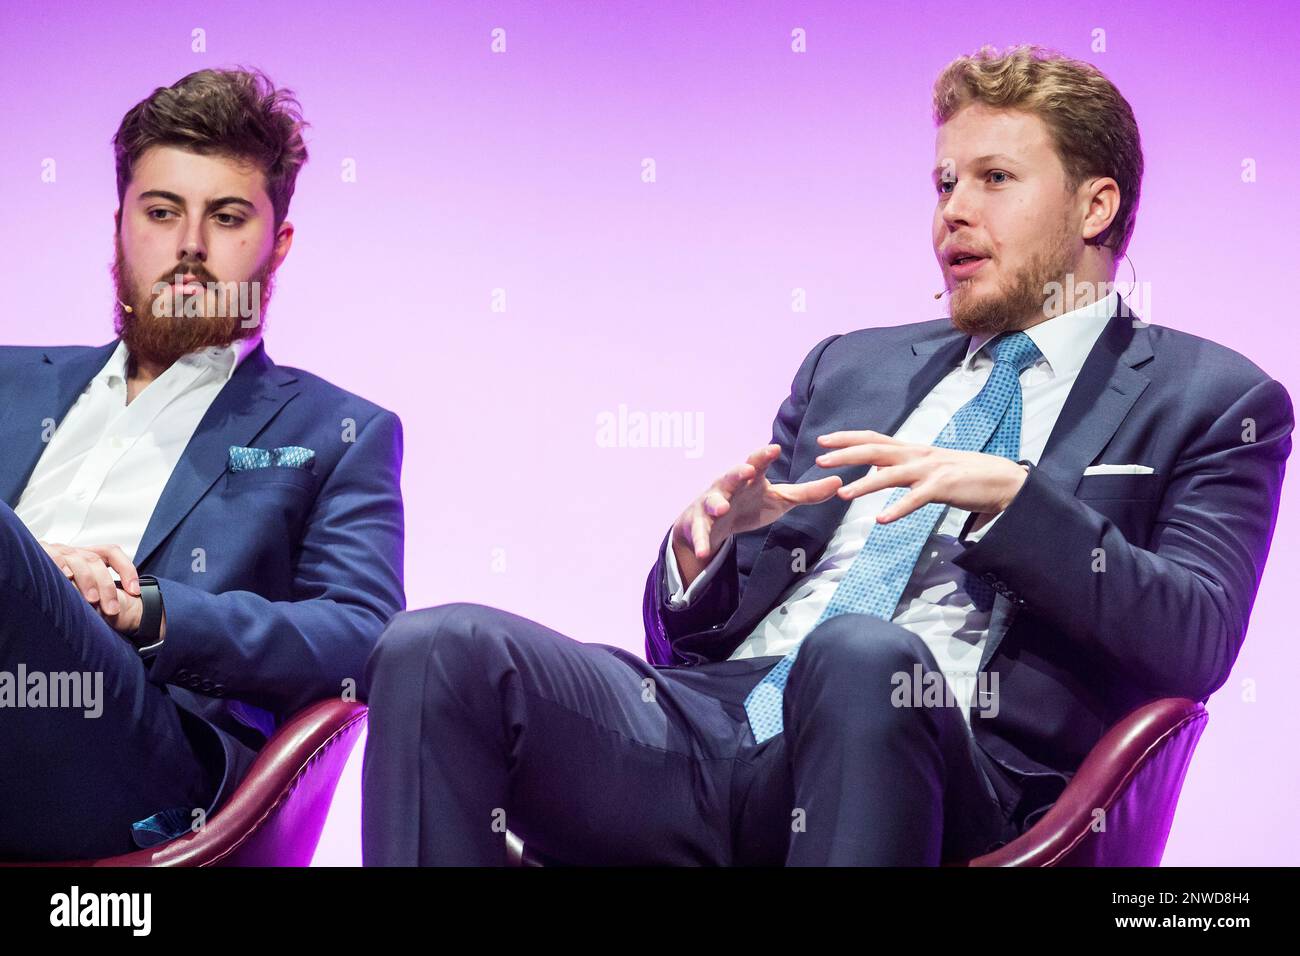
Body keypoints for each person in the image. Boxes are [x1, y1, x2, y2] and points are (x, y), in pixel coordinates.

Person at [359, 44, 1292, 865]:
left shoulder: (1211, 399)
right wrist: (703, 558)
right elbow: (686, 638)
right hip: (723, 721)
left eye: (995, 180)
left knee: (860, 659)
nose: (953, 213)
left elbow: (1196, 636)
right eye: (942, 184)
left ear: (1096, 205)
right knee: (439, 648)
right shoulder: (852, 364)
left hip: (947, 761)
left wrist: (1011, 499)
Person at [0, 67, 405, 860]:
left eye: (225, 218)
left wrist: (144, 609)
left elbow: (366, 640)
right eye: (161, 212)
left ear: (277, 243)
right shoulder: (11, 380)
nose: (189, 245)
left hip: (128, 745)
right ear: (119, 224)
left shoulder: (337, 430)